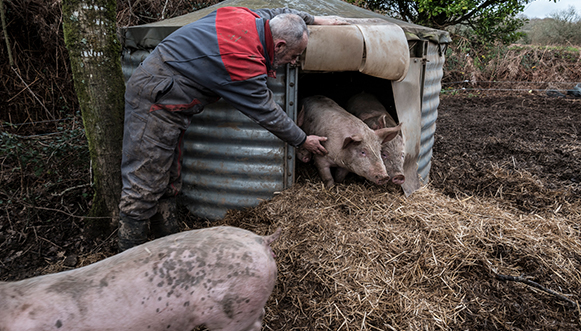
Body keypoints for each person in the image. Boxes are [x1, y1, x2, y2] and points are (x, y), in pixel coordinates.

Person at [118, 7, 348, 251]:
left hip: (172, 103)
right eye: (293, 55)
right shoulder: (241, 59)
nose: (293, 62)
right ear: (279, 46)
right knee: (144, 184)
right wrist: (302, 140)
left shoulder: (251, 18)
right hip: (155, 100)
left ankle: (168, 248)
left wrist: (317, 19)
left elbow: (279, 11)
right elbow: (267, 112)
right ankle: (127, 260)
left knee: (169, 181)